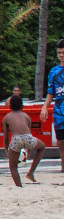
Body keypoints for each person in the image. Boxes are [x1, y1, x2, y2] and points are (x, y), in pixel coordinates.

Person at [2, 94, 42, 187]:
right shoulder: (26, 116)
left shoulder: (7, 117)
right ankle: (31, 172)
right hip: (27, 137)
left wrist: (7, 150)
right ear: (22, 106)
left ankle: (19, 185)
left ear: (10, 106)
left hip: (16, 139)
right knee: (42, 147)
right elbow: (28, 132)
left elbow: (6, 137)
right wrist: (29, 151)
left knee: (13, 166)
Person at [48, 41, 64, 176]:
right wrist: (44, 108)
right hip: (59, 112)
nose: (61, 55)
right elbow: (50, 92)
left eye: (63, 52)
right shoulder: (54, 71)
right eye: (59, 53)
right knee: (61, 142)